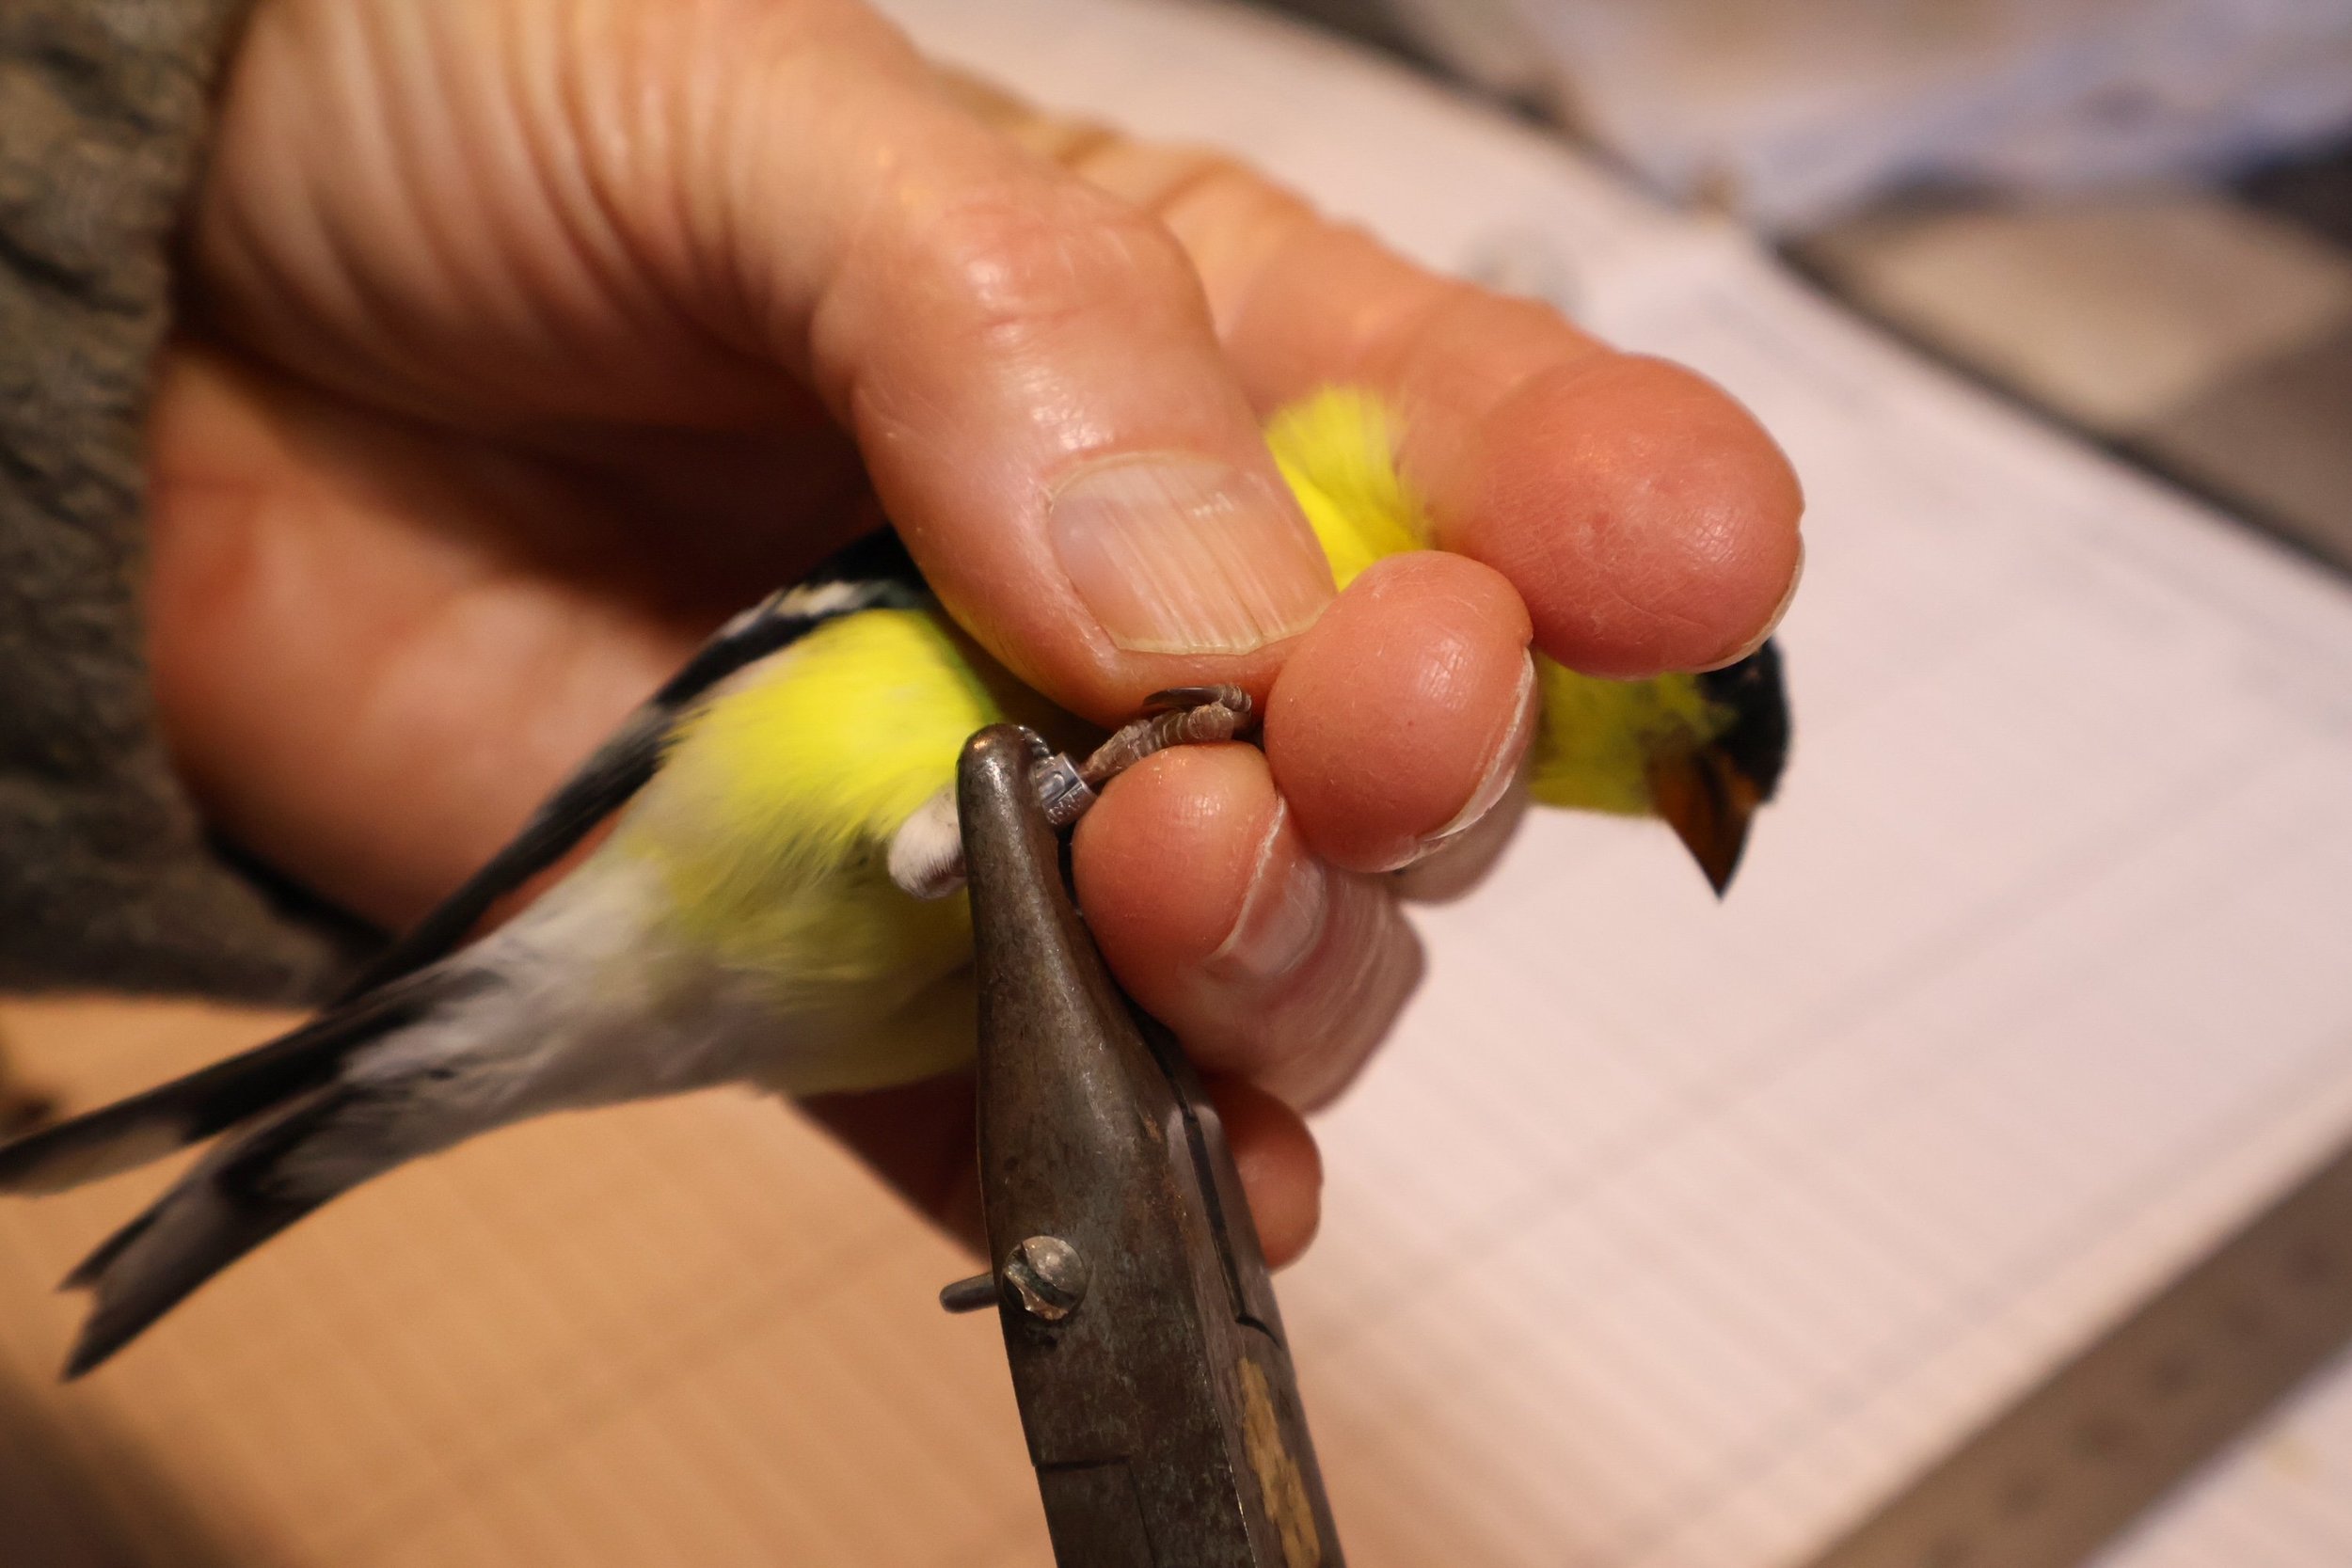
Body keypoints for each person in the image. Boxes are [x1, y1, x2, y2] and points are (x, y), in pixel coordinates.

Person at [0, 0, 1802, 1260]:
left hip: (827, 979)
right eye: (1689, 734)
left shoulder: (1389, 666)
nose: (1681, 792)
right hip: (775, 808)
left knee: (1201, 911)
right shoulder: (1319, 504)